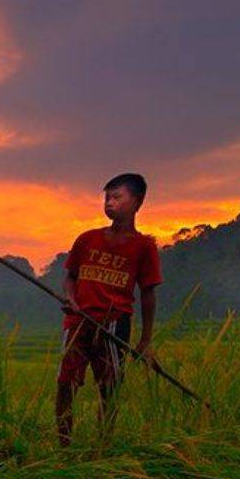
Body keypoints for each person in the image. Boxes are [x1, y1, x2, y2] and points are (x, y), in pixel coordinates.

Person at [55, 172, 162, 445]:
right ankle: (64, 447)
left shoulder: (144, 247)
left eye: (117, 197)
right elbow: (70, 277)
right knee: (65, 384)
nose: (109, 203)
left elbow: (148, 294)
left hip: (114, 323)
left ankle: (103, 446)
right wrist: (71, 298)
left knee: (109, 388)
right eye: (106, 197)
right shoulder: (87, 239)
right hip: (77, 321)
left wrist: (146, 340)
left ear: (137, 202)